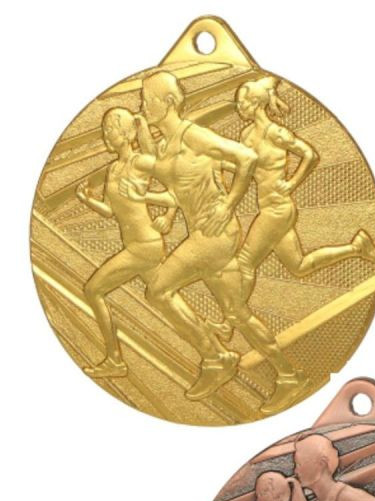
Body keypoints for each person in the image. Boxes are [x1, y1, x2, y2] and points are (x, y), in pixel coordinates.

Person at [129, 70, 307, 406]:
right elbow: (163, 167)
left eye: (147, 100)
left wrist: (228, 204)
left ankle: (217, 359)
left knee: (158, 290)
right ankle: (289, 376)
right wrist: (140, 130)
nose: (142, 105)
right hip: (208, 235)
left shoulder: (194, 135)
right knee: (237, 312)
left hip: (214, 235)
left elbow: (247, 158)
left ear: (168, 102)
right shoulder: (169, 144)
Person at [232, 76, 375, 302]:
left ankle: (233, 317)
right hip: (269, 208)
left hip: (277, 210)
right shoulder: (246, 135)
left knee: (245, 261)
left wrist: (292, 183)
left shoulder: (276, 133)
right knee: (299, 266)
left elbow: (310, 155)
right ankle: (357, 248)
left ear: (255, 103)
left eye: (241, 103)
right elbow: (240, 166)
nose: (238, 107)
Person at [75, 108, 176, 378]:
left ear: (128, 133)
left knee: (93, 290)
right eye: (104, 129)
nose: (106, 134)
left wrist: (168, 216)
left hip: (143, 246)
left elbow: (175, 185)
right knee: (166, 299)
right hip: (139, 246)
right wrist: (87, 200)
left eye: (111, 129)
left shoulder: (141, 162)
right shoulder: (114, 168)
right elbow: (110, 211)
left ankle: (115, 360)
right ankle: (214, 344)